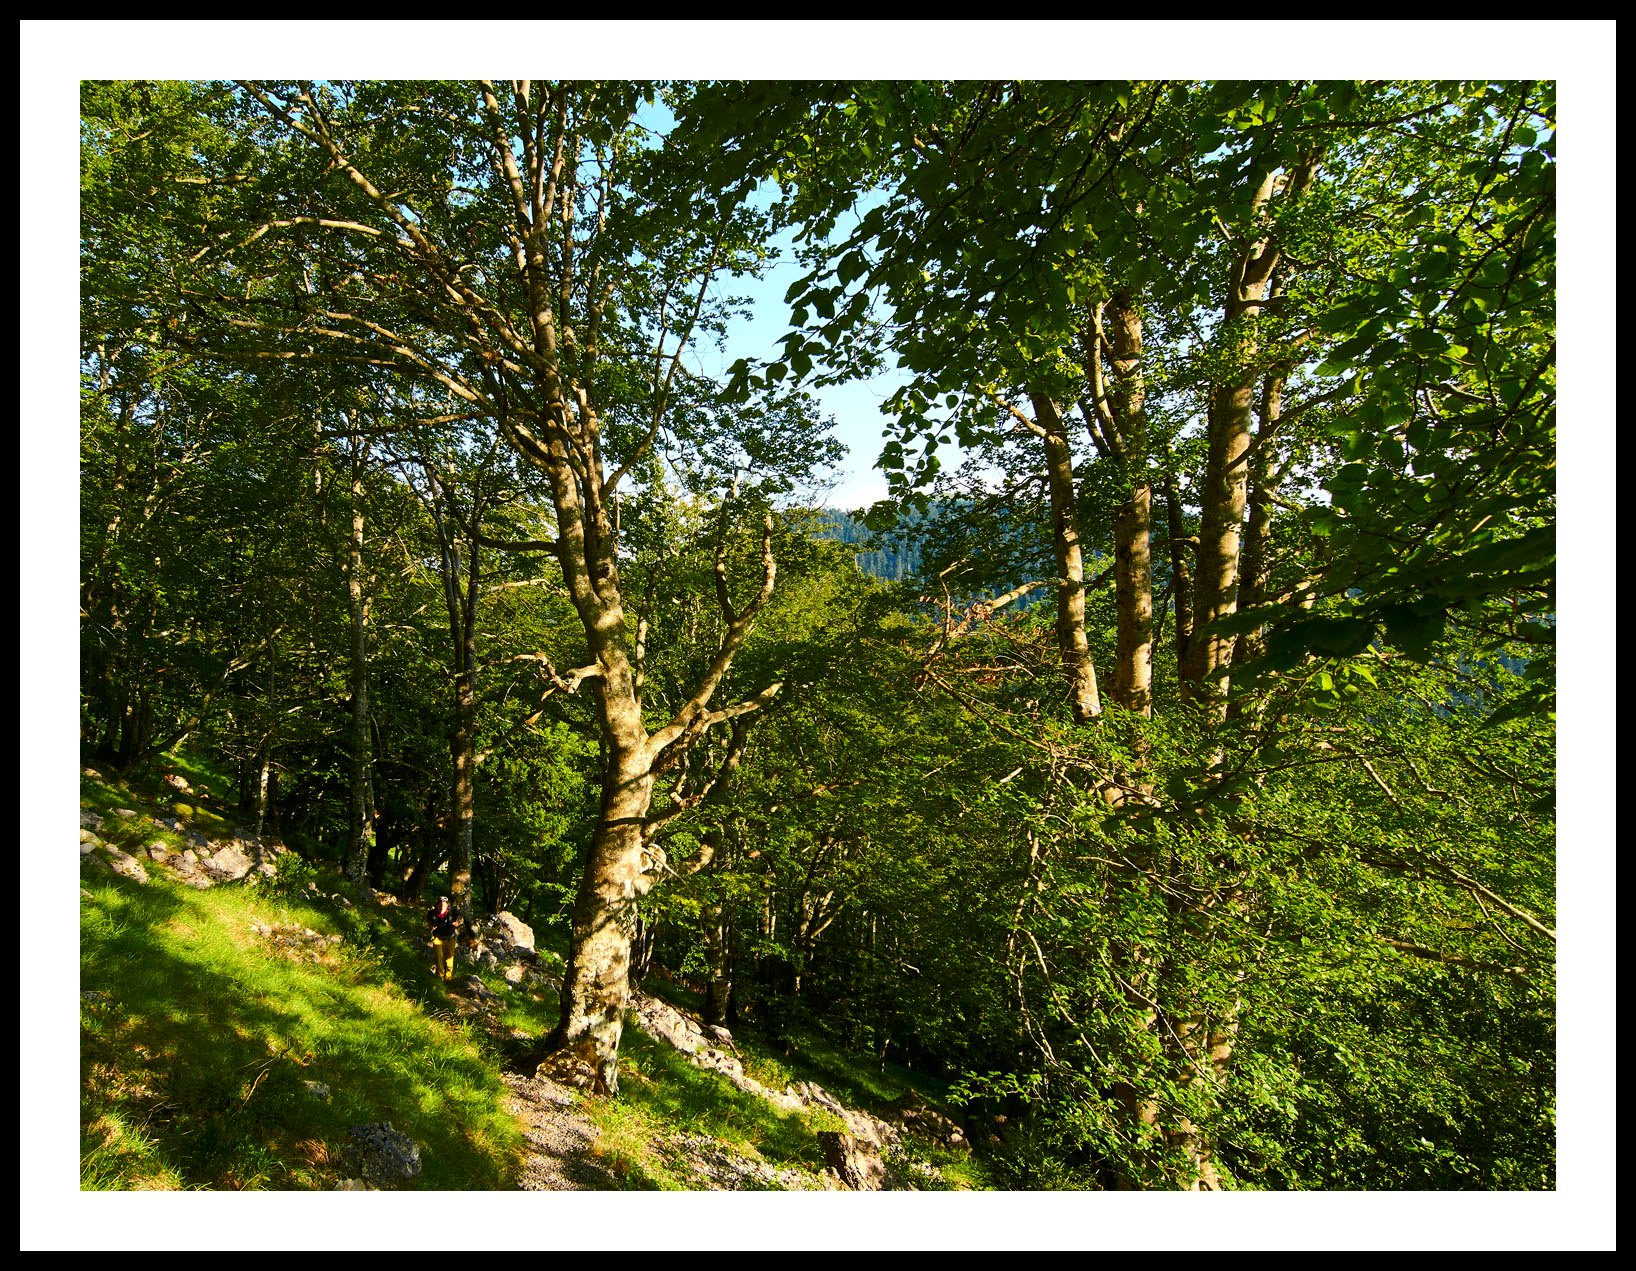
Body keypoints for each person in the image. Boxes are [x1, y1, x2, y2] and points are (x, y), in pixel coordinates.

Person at [427, 895, 461, 982]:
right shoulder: (432, 913)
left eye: (444, 906)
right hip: (437, 937)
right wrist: (431, 927)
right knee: (439, 956)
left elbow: (460, 920)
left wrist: (457, 923)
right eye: (440, 905)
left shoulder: (453, 912)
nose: (442, 907)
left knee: (449, 959)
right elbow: (429, 922)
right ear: (437, 905)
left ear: (447, 906)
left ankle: (448, 978)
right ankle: (440, 976)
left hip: (450, 938)